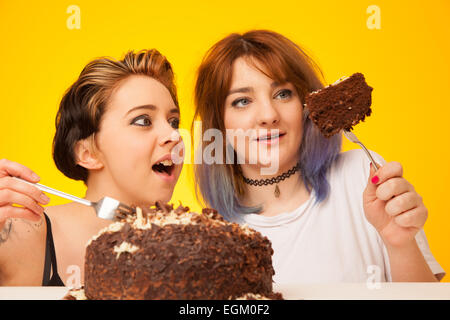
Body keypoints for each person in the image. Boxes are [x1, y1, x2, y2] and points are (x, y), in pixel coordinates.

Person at [192, 30, 445, 283]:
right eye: (243, 101)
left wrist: (399, 243)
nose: (268, 115)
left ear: (307, 106)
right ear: (219, 124)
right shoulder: (214, 240)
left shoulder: (363, 178)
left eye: (283, 94)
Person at [0, 49, 183, 286]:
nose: (174, 135)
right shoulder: (24, 236)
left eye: (174, 122)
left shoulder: (201, 247)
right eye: (143, 120)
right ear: (88, 153)